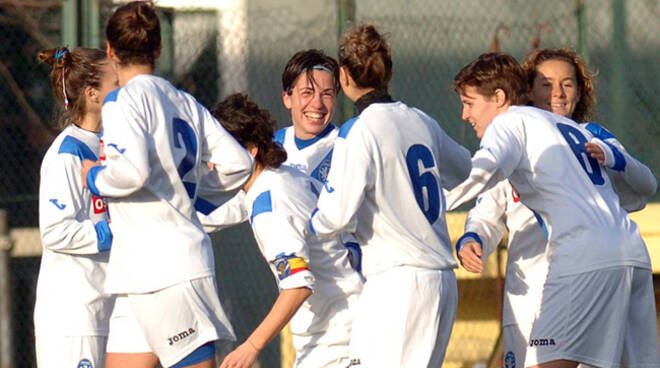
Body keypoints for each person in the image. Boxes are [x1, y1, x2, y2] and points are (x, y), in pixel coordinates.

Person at [446, 52, 659, 368]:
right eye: (546, 84)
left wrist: (421, 203)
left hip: (578, 265)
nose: (557, 93)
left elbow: (480, 173)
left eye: (567, 84)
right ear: (528, 90)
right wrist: (472, 236)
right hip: (614, 256)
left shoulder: (513, 125)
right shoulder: (555, 131)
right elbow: (488, 205)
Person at [81, 2, 253, 368]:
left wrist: (95, 178)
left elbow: (132, 173)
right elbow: (239, 165)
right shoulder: (184, 101)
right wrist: (190, 188)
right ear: (158, 50)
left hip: (166, 272)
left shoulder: (123, 100)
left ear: (110, 51)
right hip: (137, 273)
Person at [309, 24, 472, 366]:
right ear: (389, 72)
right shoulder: (420, 120)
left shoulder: (360, 131)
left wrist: (305, 225)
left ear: (342, 76)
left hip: (399, 284)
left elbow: (334, 217)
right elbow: (466, 170)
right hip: (441, 282)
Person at [207, 93, 362, 368]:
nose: (210, 164)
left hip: (336, 340)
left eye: (217, 153)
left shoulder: (270, 206)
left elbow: (298, 284)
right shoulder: (283, 177)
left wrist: (251, 346)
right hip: (348, 323)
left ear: (250, 150)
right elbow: (220, 212)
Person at [198, 49, 362, 270]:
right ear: (287, 98)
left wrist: (354, 256)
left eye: (327, 94)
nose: (317, 104)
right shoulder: (274, 145)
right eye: (307, 92)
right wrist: (179, 217)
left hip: (342, 278)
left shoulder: (347, 147)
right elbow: (238, 201)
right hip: (302, 276)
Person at [34, 46, 117, 368]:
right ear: (92, 94)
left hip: (109, 306)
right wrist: (117, 231)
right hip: (74, 316)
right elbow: (56, 231)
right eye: (115, 81)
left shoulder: (113, 142)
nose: (124, 87)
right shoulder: (66, 154)